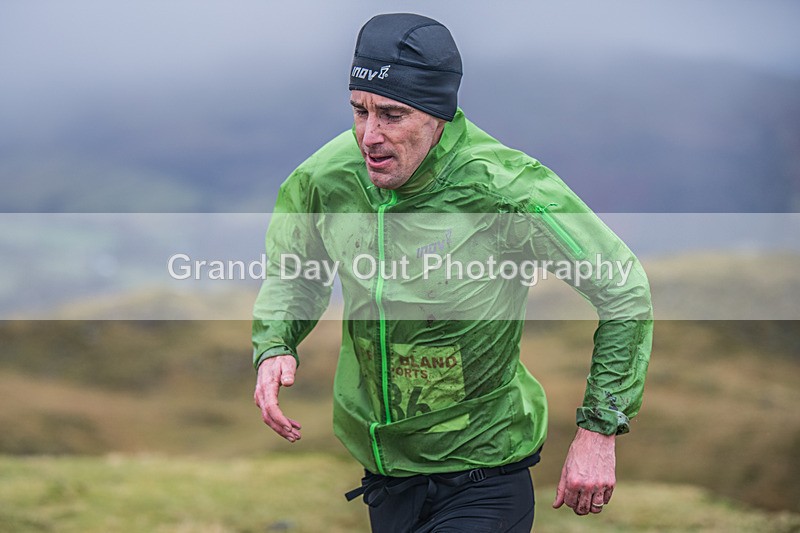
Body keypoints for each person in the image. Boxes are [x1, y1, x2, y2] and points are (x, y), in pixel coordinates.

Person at [252, 12, 653, 532]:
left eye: (392, 115)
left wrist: (599, 431)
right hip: (386, 476)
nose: (368, 135)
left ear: (438, 116)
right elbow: (295, 270)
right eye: (359, 111)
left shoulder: (507, 190)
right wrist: (276, 342)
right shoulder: (324, 180)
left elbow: (623, 289)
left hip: (485, 473)